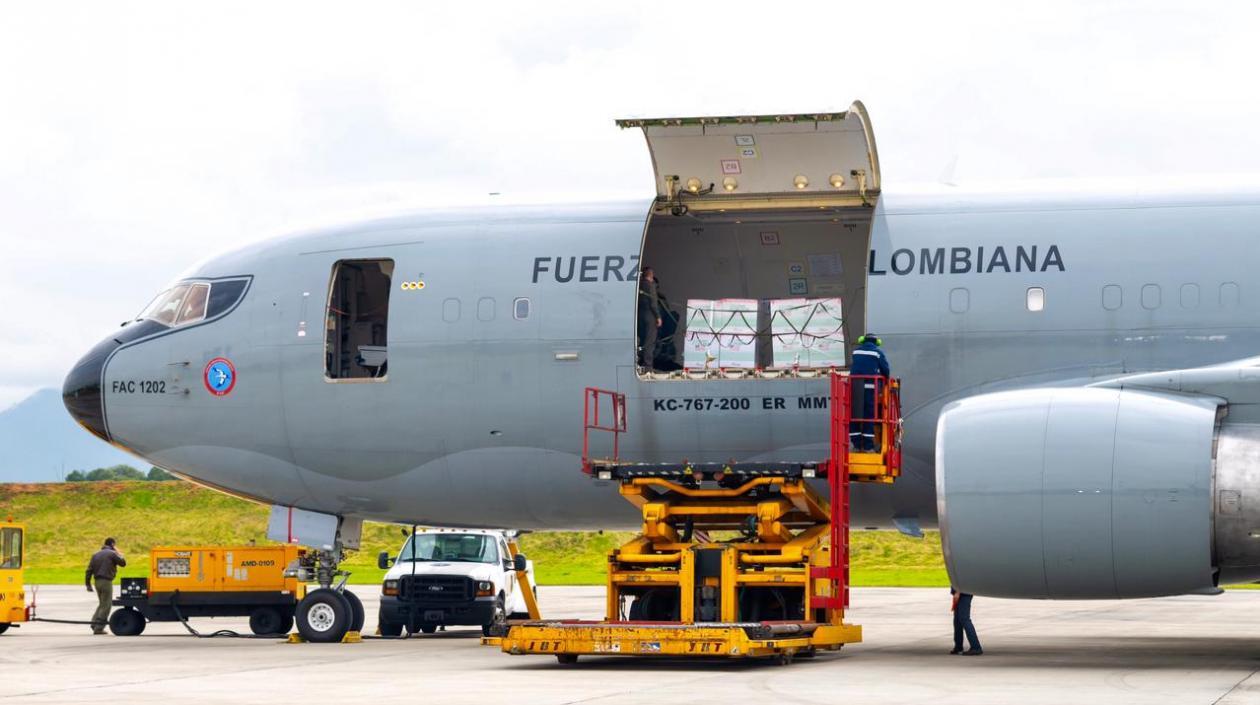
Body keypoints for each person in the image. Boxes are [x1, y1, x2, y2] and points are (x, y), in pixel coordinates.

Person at [849, 333, 890, 451]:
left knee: (855, 415)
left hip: (855, 386)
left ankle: (856, 444)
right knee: (869, 415)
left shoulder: (855, 352)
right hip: (870, 387)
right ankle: (868, 446)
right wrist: (885, 379)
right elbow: (886, 370)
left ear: (862, 340)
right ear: (877, 342)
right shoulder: (878, 352)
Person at [85, 537, 126, 634]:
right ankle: (99, 628)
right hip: (106, 582)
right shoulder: (112, 554)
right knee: (107, 605)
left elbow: (89, 571)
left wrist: (88, 584)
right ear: (112, 544)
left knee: (102, 604)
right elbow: (123, 563)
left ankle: (94, 624)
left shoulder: (95, 554)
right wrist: (118, 553)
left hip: (97, 582)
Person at [637, 266, 662, 369]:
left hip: (640, 316)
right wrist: (658, 316)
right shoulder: (650, 286)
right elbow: (653, 303)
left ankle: (640, 362)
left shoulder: (639, 285)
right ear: (651, 275)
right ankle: (648, 366)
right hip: (650, 316)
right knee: (650, 342)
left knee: (641, 340)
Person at [951, 587, 983, 655]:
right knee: (957, 620)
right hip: (962, 591)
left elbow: (962, 580)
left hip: (964, 592)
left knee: (964, 619)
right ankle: (958, 647)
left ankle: (976, 647)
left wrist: (958, 592)